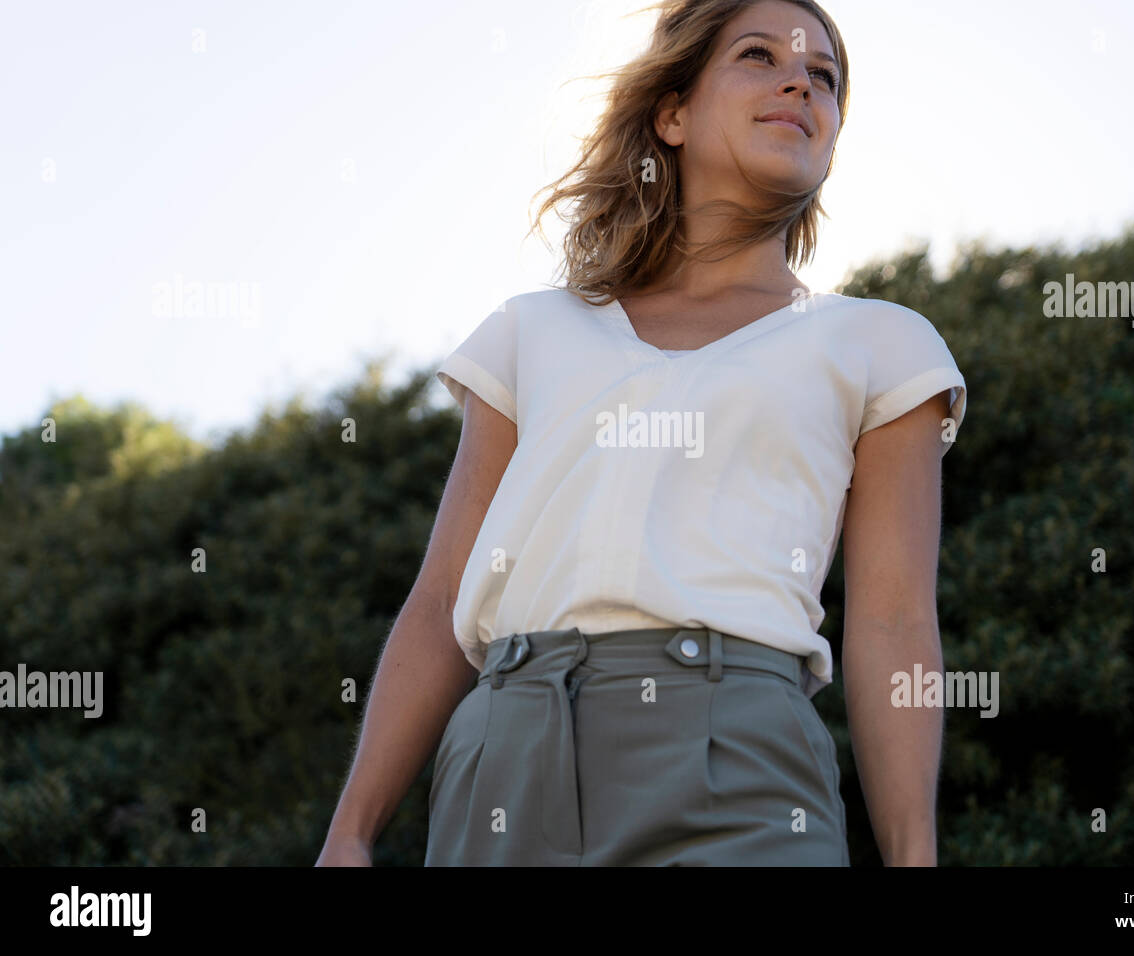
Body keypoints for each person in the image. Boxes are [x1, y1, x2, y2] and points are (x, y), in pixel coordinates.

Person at [317, 0, 965, 867]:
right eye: (761, 56)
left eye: (824, 77)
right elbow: (442, 603)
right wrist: (351, 834)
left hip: (739, 761)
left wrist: (915, 859)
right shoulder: (532, 331)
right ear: (673, 114)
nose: (798, 83)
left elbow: (890, 622)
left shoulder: (882, 343)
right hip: (506, 758)